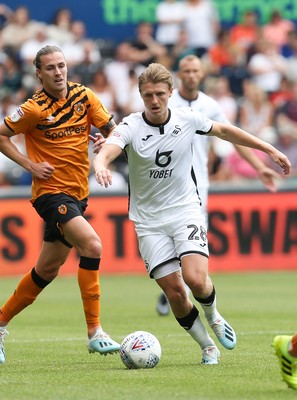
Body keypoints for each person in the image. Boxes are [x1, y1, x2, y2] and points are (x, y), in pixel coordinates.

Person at [93, 63, 291, 364]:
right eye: (148, 95)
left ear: (171, 93)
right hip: (148, 223)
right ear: (140, 95)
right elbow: (110, 147)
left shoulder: (187, 119)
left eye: (160, 94)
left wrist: (269, 150)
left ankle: (214, 316)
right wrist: (100, 165)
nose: (155, 101)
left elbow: (225, 131)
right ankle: (207, 346)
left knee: (195, 279)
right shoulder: (131, 126)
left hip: (186, 209)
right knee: (175, 294)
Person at [0, 45, 120, 365]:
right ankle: (95, 332)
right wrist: (29, 165)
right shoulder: (33, 109)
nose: (58, 72)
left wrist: (105, 141)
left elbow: (114, 131)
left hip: (78, 194)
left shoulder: (85, 97)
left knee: (46, 270)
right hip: (51, 195)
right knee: (92, 245)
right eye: (50, 67)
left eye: (62, 65)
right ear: (38, 73)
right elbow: (1, 135)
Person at [155, 55, 283, 316]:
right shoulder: (166, 100)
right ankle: (173, 288)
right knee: (168, 239)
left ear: (202, 75)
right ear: (179, 74)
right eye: (186, 71)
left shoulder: (209, 105)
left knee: (193, 240)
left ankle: (182, 291)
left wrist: (259, 167)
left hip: (198, 185)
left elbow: (230, 135)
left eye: (195, 71)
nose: (191, 75)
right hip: (166, 183)